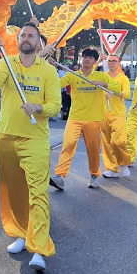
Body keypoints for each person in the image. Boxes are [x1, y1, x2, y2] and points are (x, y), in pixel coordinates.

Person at [0, 23, 61, 273]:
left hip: (35, 139)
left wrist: (38, 108)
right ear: (17, 40)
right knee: (14, 191)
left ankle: (39, 248)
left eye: (31, 35)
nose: (26, 38)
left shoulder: (48, 71)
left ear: (38, 42)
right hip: (6, 135)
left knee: (38, 193)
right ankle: (21, 232)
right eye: (22, 35)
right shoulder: (7, 63)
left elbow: (55, 105)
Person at [50, 47, 121, 190]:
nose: (86, 60)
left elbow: (117, 89)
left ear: (95, 61)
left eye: (90, 58)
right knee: (68, 145)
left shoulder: (101, 76)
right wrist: (51, 69)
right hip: (74, 118)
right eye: (85, 57)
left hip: (94, 120)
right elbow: (56, 85)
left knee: (93, 150)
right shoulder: (73, 75)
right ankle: (60, 176)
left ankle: (94, 174)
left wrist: (103, 84)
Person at [100, 54, 132, 177]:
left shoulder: (123, 78)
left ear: (118, 63)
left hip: (118, 113)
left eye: (114, 61)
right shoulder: (103, 76)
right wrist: (99, 60)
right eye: (109, 61)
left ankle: (123, 163)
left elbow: (127, 94)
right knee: (107, 142)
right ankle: (111, 169)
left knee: (118, 141)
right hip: (104, 113)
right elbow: (89, 76)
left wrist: (114, 92)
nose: (112, 63)